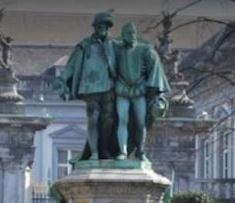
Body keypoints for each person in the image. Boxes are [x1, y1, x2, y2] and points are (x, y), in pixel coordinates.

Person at [55, 12, 118, 161]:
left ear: (108, 28)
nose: (101, 28)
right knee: (93, 120)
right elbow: (71, 66)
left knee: (109, 120)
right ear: (95, 27)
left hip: (110, 87)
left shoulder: (114, 45)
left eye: (104, 26)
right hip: (90, 88)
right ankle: (95, 153)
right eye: (99, 26)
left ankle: (103, 149)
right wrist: (62, 79)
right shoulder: (85, 45)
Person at [112, 22, 169, 161]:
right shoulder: (117, 49)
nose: (131, 36)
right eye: (128, 34)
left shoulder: (145, 50)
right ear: (123, 36)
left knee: (140, 122)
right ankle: (123, 151)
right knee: (123, 120)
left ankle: (141, 151)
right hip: (122, 90)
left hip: (139, 90)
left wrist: (157, 93)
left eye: (133, 33)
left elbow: (155, 68)